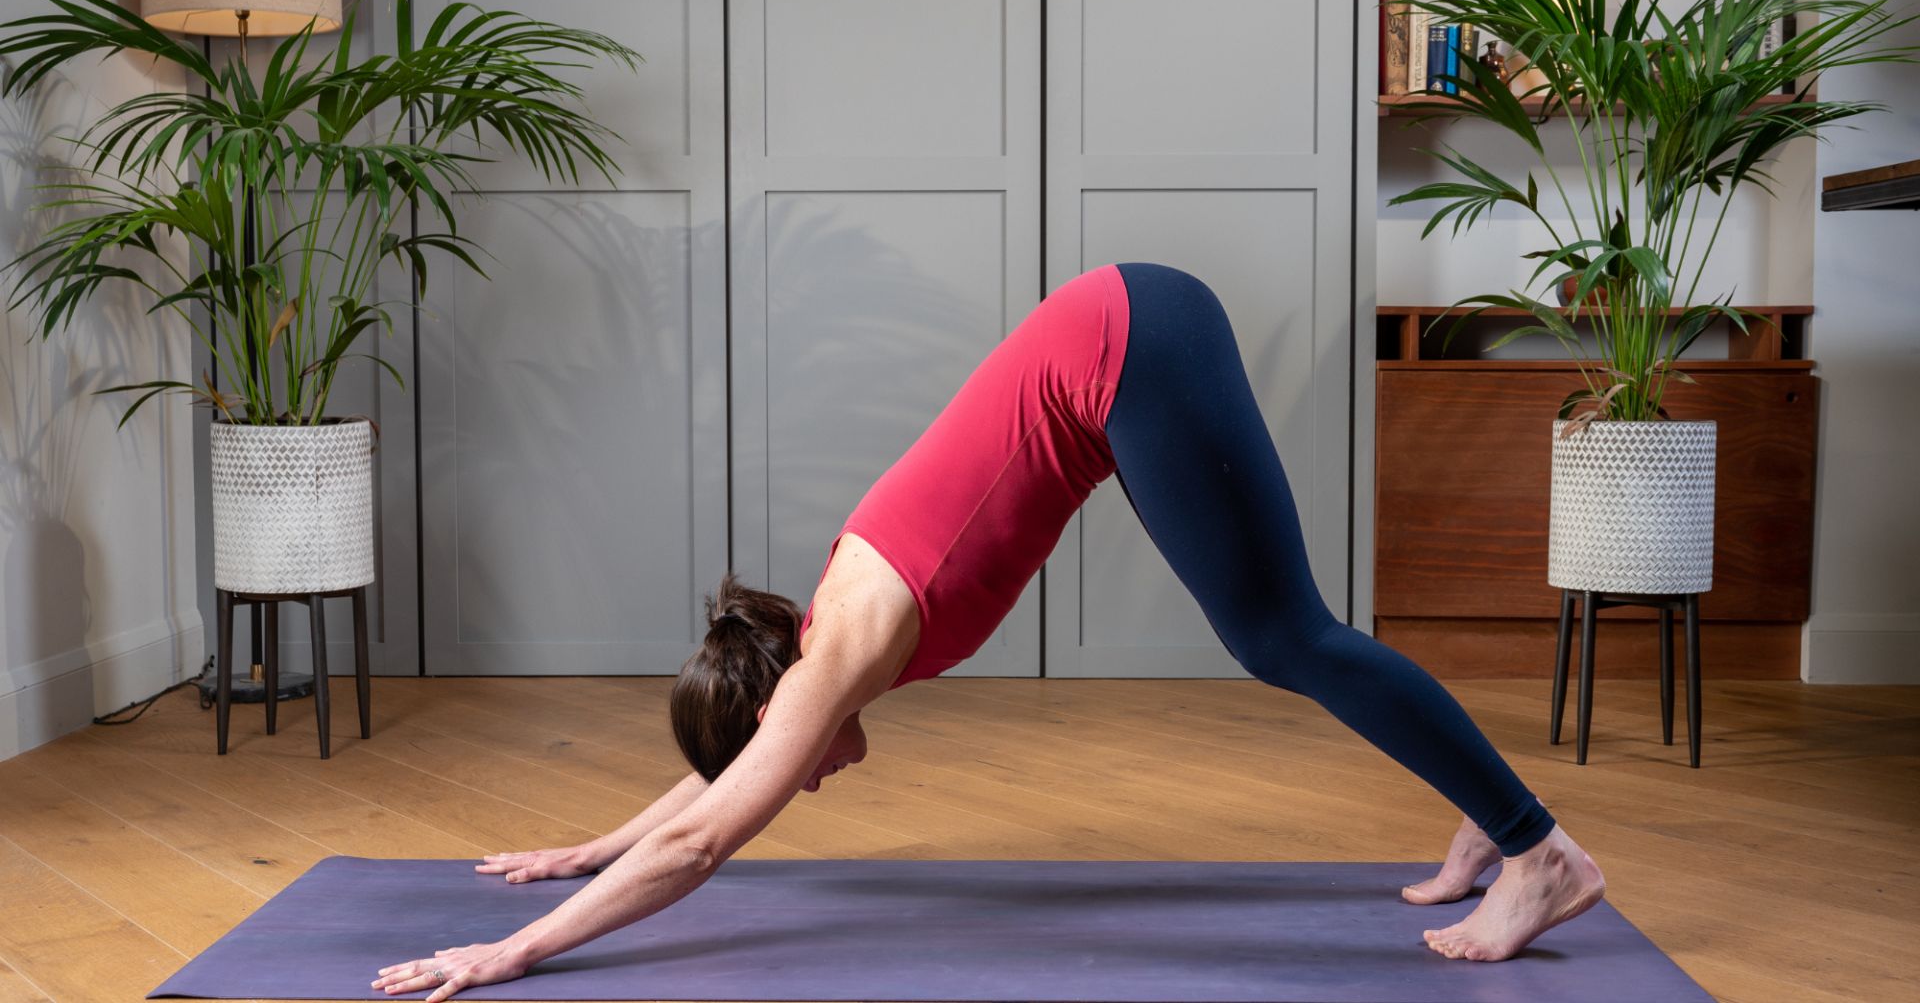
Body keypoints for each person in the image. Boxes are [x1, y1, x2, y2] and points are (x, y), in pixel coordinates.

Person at [372, 263, 1607, 1001]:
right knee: (1286, 634)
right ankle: (1483, 810)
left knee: (1283, 637)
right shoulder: (807, 641)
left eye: (784, 762)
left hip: (1132, 349)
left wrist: (511, 951)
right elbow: (712, 790)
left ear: (779, 716)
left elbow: (703, 838)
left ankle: (1540, 854)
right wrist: (584, 847)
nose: (803, 781)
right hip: (1126, 331)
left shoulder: (843, 646)